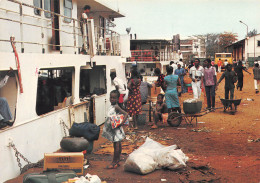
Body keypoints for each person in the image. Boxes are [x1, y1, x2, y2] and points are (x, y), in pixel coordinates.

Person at [102, 90, 128, 169]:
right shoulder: (112, 106)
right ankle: (117, 161)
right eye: (111, 97)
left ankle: (114, 162)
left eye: (114, 98)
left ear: (117, 99)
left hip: (116, 129)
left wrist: (122, 123)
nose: (112, 99)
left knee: (116, 145)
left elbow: (126, 114)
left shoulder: (116, 106)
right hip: (113, 129)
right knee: (117, 144)